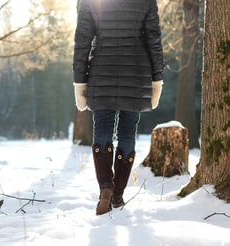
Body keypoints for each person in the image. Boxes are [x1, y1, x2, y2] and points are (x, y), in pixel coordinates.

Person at [73, 0, 164, 215]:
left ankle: (106, 186)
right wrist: (157, 78)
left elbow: (82, 41)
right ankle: (118, 195)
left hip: (101, 70)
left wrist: (79, 80)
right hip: (136, 71)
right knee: (127, 131)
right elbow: (154, 40)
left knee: (102, 127)